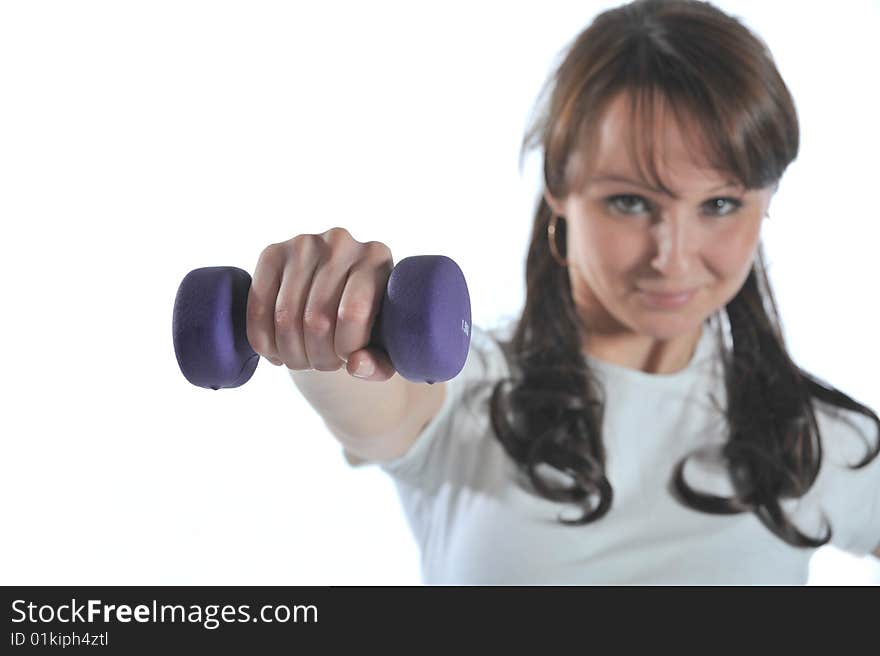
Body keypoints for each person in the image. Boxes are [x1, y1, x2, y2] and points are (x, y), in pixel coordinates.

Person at [248, 0, 880, 584]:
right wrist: (325, 323)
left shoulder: (821, 442)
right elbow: (376, 403)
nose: (673, 256)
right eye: (630, 202)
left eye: (720, 203)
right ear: (559, 186)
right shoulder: (467, 393)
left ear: (767, 201)